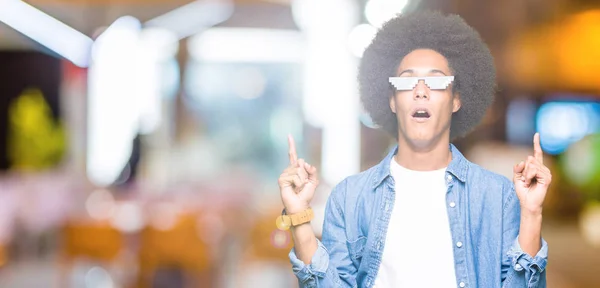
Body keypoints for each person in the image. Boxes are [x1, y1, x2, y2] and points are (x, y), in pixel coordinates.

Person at [277, 10, 550, 288]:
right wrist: (299, 218)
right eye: (407, 81)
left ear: (456, 100)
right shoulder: (349, 197)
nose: (421, 90)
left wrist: (531, 213)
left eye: (436, 80)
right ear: (393, 102)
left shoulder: (496, 195)